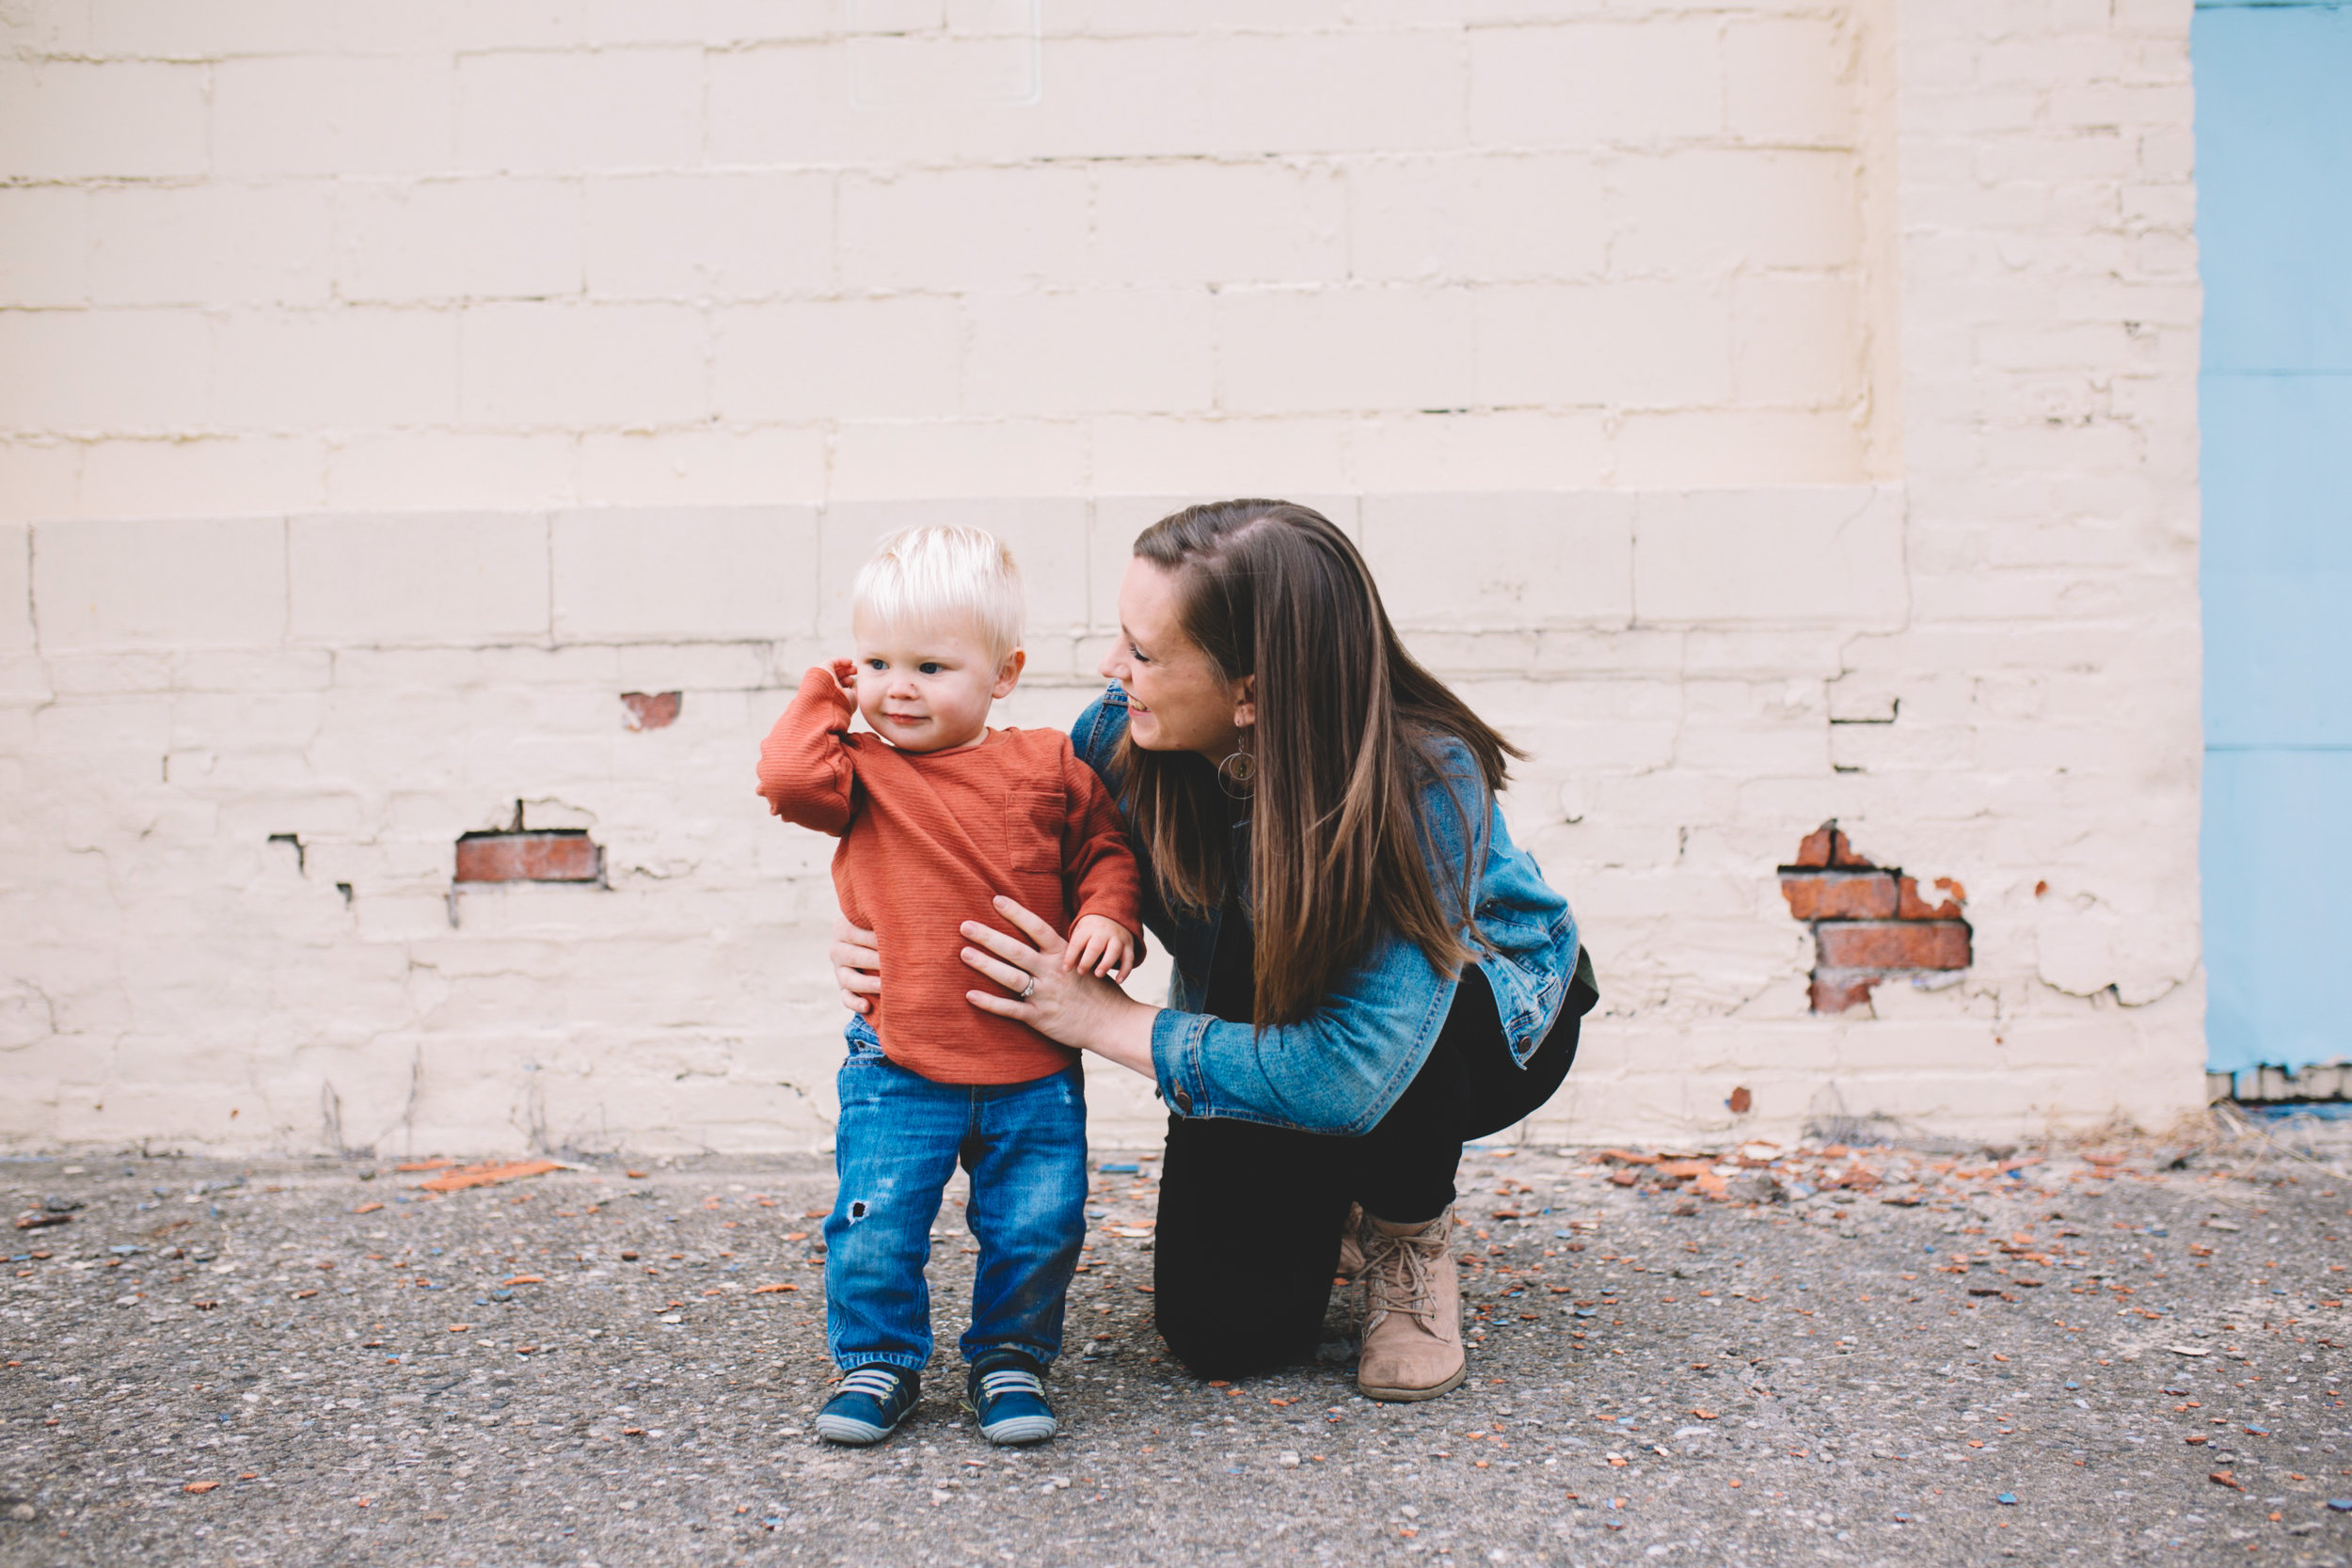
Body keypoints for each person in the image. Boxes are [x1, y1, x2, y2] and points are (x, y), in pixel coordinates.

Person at [834, 499, 1597, 1402]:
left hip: (1469, 1028)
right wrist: (884, 933)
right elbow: (1011, 862)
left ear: (1253, 693)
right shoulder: (1117, 739)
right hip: (1264, 1007)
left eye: (1144, 654)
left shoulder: (1424, 780)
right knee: (1223, 1330)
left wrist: (1110, 1023)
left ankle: (1406, 1221)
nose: (1113, 670)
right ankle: (1330, 1193)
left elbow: (1358, 1064)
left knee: (1410, 1031)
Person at [757, 525, 1145, 1447]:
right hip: (899, 1057)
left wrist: (1107, 917)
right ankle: (878, 1359)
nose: (898, 686)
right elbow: (782, 776)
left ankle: (1010, 1355)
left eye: (931, 665)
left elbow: (1105, 853)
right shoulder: (856, 770)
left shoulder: (1048, 762)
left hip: (1030, 1060)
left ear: (1002, 674)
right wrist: (826, 687)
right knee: (876, 1216)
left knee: (1038, 1223)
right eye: (877, 662)